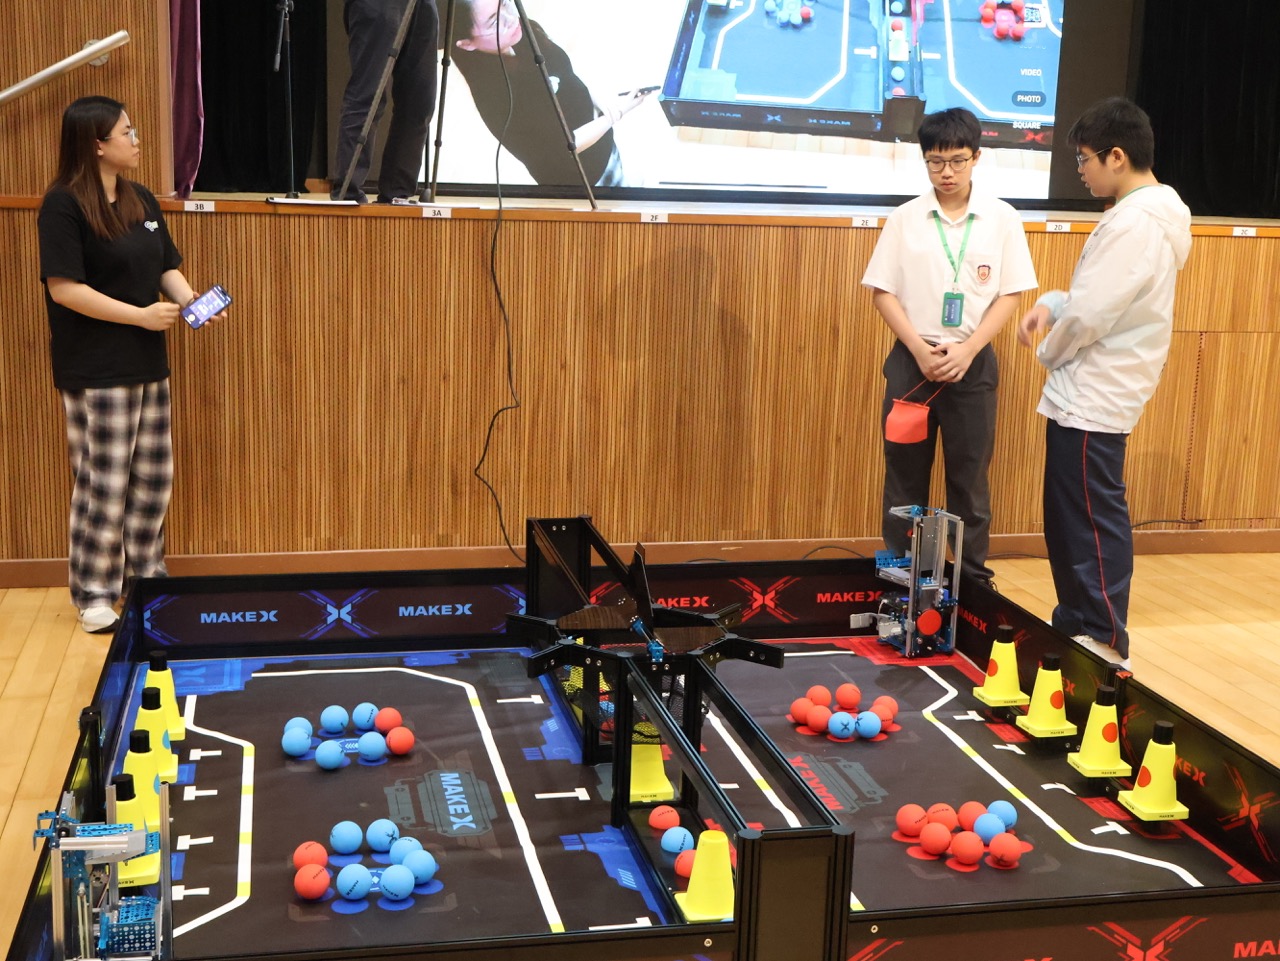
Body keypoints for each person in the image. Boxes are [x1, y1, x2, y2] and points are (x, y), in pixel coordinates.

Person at [37, 96, 225, 633]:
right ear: (97, 144)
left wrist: (190, 300)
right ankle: (95, 592)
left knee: (152, 479)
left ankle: (146, 579)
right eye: (127, 132)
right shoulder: (63, 204)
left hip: (148, 363)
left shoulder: (140, 197)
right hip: (96, 367)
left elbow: (166, 265)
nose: (137, 140)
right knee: (104, 483)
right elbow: (65, 289)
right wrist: (139, 317)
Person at [1017, 97, 1191, 671]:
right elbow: (1098, 300)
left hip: (1095, 394)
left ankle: (1103, 641)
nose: (1081, 171)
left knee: (1090, 522)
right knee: (1069, 521)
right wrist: (1052, 303)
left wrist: (1048, 351)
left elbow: (1092, 316)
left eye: (1085, 159)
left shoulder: (1137, 222)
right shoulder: (1141, 216)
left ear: (1117, 156)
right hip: (1088, 392)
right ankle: (1077, 627)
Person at [861, 107, 1037, 588]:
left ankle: (973, 583)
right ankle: (901, 581)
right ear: (924, 160)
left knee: (970, 481)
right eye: (936, 162)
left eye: (958, 160)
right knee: (904, 481)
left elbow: (1010, 294)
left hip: (971, 366)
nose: (947, 172)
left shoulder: (1002, 218)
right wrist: (919, 349)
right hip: (911, 366)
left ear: (976, 157)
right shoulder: (905, 218)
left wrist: (970, 348)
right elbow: (882, 292)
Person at [449, 0, 651, 187]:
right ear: (466, 43)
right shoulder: (496, 98)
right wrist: (616, 114)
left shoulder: (521, 32)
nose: (511, 18)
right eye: (494, 22)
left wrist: (601, 102)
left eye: (506, 3)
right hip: (582, 178)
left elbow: (565, 72)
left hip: (602, 144)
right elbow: (562, 147)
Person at [332, 0, 440, 204]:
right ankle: (349, 194)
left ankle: (397, 194)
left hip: (422, 4)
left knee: (419, 102)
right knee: (369, 95)